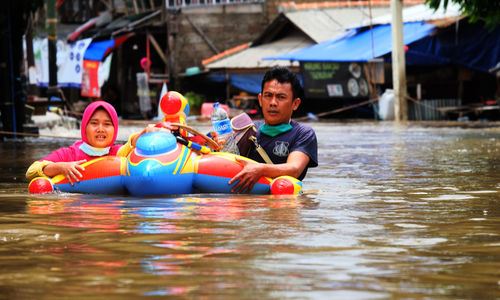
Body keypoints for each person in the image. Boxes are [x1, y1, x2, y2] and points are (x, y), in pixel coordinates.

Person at [228, 66, 318, 193]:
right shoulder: (247, 130)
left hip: (283, 204)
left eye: (281, 97)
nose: (273, 103)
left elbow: (294, 169)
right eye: (268, 96)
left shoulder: (303, 133)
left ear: (295, 104)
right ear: (260, 99)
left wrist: (261, 170)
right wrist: (220, 143)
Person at [26, 101, 130, 185]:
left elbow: (133, 145)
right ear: (84, 127)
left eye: (107, 124)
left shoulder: (118, 152)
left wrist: (143, 135)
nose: (100, 129)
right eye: (94, 123)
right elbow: (31, 171)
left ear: (115, 129)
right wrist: (61, 168)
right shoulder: (68, 154)